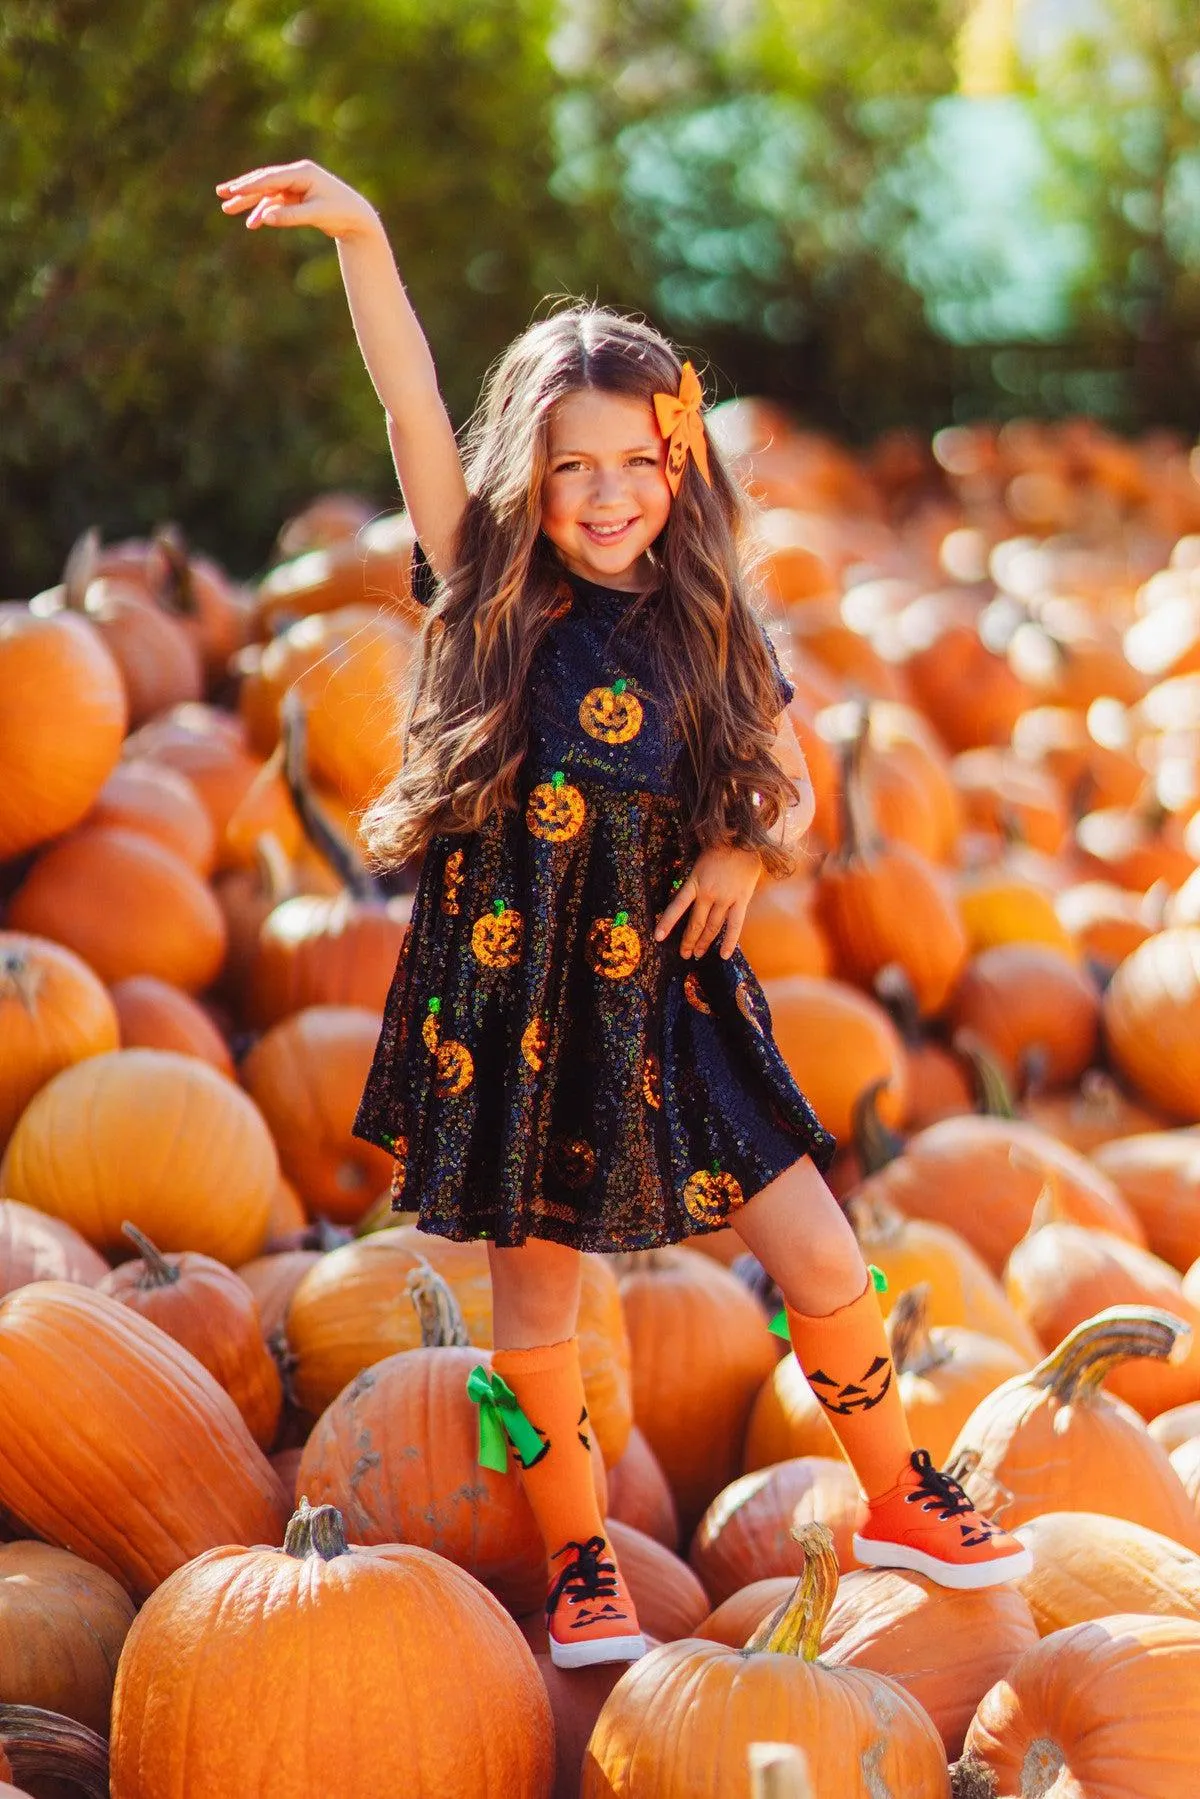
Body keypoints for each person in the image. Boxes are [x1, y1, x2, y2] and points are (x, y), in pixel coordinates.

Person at [217, 159, 1032, 1670]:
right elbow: (407, 408)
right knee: (538, 1299)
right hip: (519, 988)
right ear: (532, 473)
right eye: (575, 465)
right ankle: (582, 1560)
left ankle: (897, 1492)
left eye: (637, 464)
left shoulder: (708, 614)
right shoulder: (488, 584)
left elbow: (778, 773)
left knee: (822, 1247)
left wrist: (740, 858)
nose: (608, 494)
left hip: (671, 985)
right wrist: (369, 240)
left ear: (680, 465)